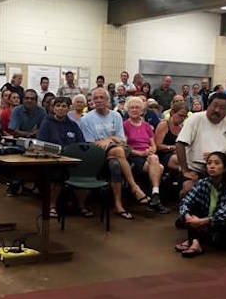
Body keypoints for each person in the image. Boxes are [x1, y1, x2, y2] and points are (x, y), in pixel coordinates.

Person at [80, 88, 151, 219]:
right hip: (96, 154)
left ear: (108, 100)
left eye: (102, 97)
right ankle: (134, 188)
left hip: (116, 152)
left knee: (115, 165)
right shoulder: (86, 119)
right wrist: (111, 138)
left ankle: (118, 205)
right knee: (118, 151)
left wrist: (108, 139)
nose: (99, 100)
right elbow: (90, 143)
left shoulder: (116, 116)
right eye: (96, 98)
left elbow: (122, 140)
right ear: (92, 101)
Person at [175, 152, 226, 257]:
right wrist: (187, 216)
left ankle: (194, 239)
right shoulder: (203, 183)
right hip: (208, 223)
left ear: (225, 168)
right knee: (192, 210)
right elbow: (186, 201)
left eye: (217, 163)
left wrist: (201, 222)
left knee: (221, 238)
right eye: (209, 163)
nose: (212, 166)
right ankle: (195, 243)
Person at [175, 93, 226, 196]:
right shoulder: (195, 119)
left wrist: (215, 156)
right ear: (208, 105)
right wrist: (185, 170)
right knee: (189, 189)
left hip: (220, 171)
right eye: (214, 106)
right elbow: (180, 144)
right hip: (195, 169)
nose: (217, 110)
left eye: (222, 108)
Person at [37, 97, 90, 217]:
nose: (61, 108)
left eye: (64, 106)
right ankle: (52, 206)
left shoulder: (73, 125)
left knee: (84, 171)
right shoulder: (46, 123)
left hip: (72, 160)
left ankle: (81, 206)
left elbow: (82, 143)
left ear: (69, 108)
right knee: (58, 174)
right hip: (53, 160)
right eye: (58, 106)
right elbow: (40, 144)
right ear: (53, 108)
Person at [123, 96, 165, 210]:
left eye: (137, 107)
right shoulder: (125, 125)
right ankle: (155, 196)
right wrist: (139, 153)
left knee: (154, 158)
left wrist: (152, 150)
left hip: (148, 156)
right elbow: (125, 147)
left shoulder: (146, 125)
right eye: (132, 108)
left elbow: (153, 144)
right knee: (159, 167)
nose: (134, 110)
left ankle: (154, 197)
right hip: (134, 158)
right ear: (128, 110)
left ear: (142, 110)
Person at [155, 101, 187, 172]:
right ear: (172, 112)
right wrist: (172, 147)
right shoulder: (164, 125)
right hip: (163, 155)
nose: (182, 119)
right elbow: (157, 146)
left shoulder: (181, 128)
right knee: (180, 160)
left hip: (176, 154)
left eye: (184, 117)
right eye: (180, 115)